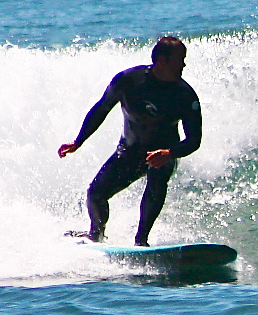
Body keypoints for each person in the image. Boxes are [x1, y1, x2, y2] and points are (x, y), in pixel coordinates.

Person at [58, 36, 202, 246]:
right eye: (180, 59)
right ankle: (95, 235)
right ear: (162, 60)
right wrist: (78, 141)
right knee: (96, 193)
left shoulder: (185, 95)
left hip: (163, 153)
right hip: (130, 151)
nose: (184, 64)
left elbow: (194, 140)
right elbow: (102, 108)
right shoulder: (129, 81)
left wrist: (169, 154)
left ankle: (141, 241)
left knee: (156, 182)